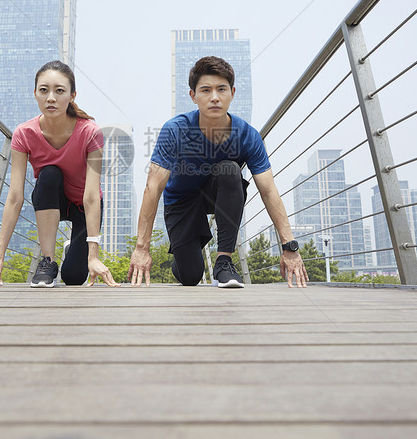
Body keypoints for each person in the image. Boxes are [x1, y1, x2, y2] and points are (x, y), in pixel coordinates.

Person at [128, 56, 308, 288]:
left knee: (230, 169)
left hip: (217, 192)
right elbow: (153, 188)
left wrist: (289, 246)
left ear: (232, 93)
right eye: (205, 90)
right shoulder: (174, 130)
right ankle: (184, 254)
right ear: (193, 96)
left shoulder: (248, 135)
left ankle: (224, 261)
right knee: (190, 276)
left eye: (221, 89)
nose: (214, 97)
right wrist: (142, 249)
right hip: (181, 201)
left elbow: (268, 190)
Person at [0, 61, 119, 288]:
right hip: (51, 197)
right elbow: (15, 196)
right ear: (35, 94)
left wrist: (93, 256)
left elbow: (91, 196)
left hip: (82, 205)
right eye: (44, 90)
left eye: (59, 91)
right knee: (48, 174)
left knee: (73, 278)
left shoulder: (90, 132)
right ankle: (48, 261)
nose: (51, 98)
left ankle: (72, 251)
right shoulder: (24, 134)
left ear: (72, 95)